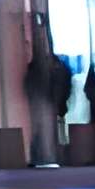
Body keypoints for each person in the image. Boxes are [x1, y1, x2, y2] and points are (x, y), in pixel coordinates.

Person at [24, 34, 72, 165]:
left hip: (47, 101)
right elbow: (64, 86)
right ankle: (51, 155)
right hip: (50, 101)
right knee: (48, 130)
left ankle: (45, 155)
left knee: (42, 130)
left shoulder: (36, 69)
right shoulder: (59, 69)